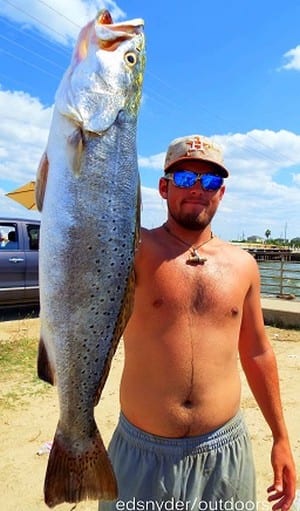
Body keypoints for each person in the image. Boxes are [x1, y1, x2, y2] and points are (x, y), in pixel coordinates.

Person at [100, 134, 296, 511]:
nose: (198, 190)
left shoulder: (244, 265)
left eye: (209, 182)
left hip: (224, 455)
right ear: (163, 187)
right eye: (186, 179)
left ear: (220, 193)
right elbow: (82, 219)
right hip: (143, 454)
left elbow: (257, 352)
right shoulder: (130, 249)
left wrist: (281, 438)